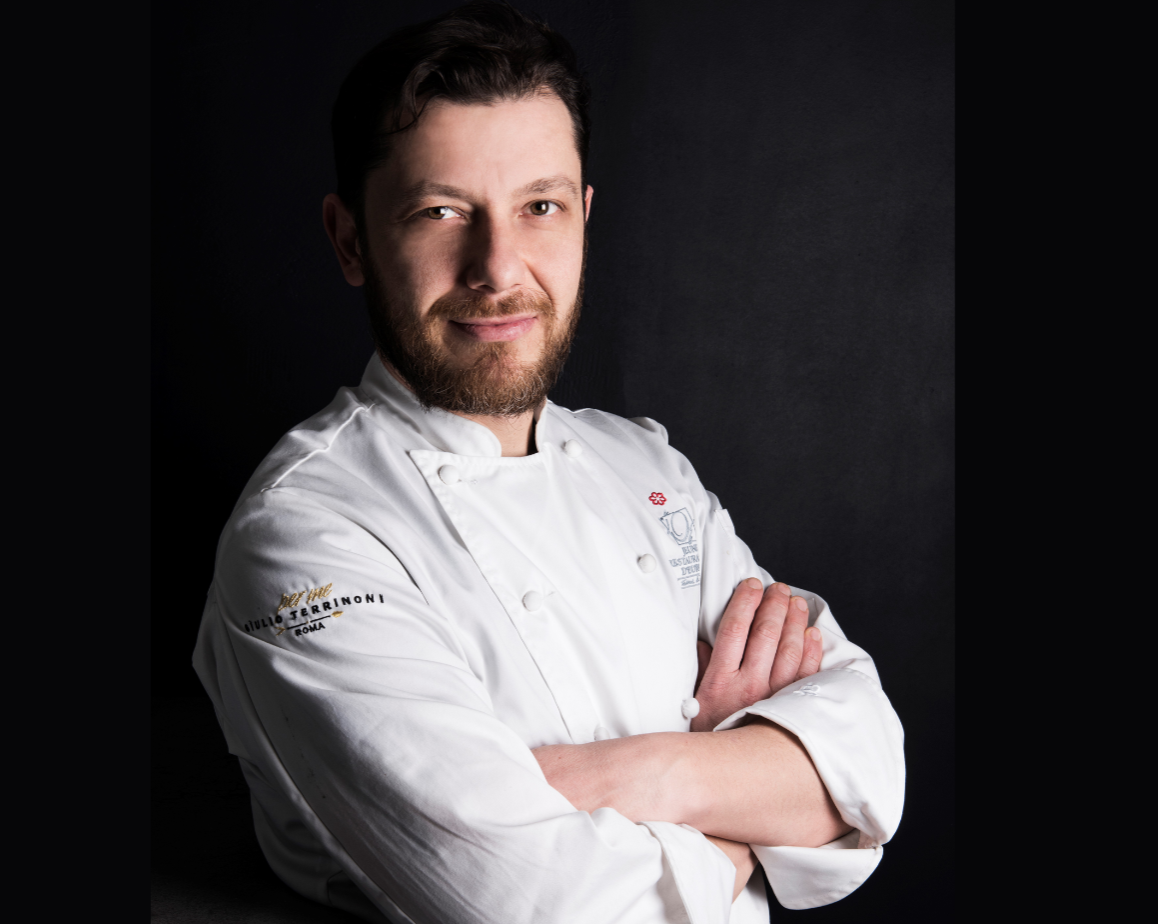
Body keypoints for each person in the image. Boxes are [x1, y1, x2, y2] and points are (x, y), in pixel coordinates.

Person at [192, 3, 904, 922]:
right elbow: (543, 906)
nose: (499, 267)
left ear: (583, 219)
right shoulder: (302, 534)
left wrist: (637, 774)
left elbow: (870, 769)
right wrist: (751, 794)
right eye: (441, 211)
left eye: (540, 207)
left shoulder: (643, 463)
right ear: (350, 240)